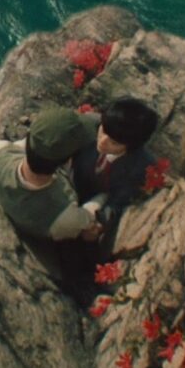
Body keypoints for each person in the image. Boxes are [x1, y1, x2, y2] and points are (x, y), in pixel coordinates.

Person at [0, 106, 103, 303]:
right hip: (49, 230)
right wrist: (105, 194)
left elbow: (26, 146)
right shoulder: (66, 216)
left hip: (28, 213)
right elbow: (92, 210)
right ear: (66, 160)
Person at [71, 97, 160, 258]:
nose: (103, 142)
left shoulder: (139, 166)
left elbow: (118, 201)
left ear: (130, 147)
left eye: (114, 143)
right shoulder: (88, 124)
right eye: (103, 131)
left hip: (100, 196)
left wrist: (99, 223)